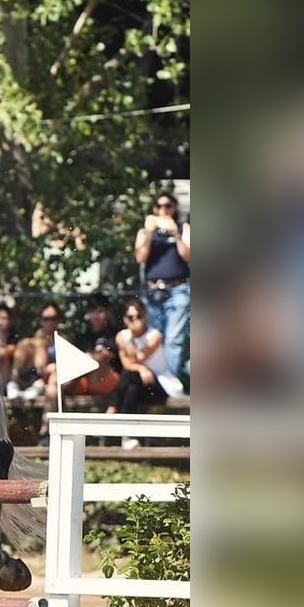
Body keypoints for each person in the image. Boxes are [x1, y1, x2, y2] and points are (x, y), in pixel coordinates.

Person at [107, 299, 185, 448]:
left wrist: (128, 344)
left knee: (131, 377)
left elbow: (138, 358)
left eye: (139, 316)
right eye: (130, 317)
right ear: (125, 319)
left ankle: (112, 409)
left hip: (160, 384)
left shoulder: (154, 336)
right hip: (138, 383)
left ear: (145, 317)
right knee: (131, 386)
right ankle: (127, 435)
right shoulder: (122, 336)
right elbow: (127, 365)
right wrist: (142, 369)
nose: (135, 321)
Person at [134, 191, 190, 381]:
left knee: (173, 341)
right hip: (152, 291)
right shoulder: (145, 231)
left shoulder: (183, 228)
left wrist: (176, 234)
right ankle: (156, 385)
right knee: (153, 339)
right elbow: (140, 257)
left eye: (167, 206)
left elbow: (189, 256)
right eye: (159, 206)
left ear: (174, 209)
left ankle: (171, 384)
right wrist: (149, 233)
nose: (163, 210)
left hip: (178, 290)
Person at [67, 293, 121, 397]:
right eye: (92, 311)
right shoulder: (83, 336)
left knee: (95, 360)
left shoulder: (114, 334)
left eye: (100, 311)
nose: (96, 316)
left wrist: (88, 358)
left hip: (108, 382)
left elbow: (107, 355)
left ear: (107, 312)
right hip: (85, 382)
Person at [0, 303, 19, 395]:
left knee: (5, 357)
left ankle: (7, 386)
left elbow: (16, 350)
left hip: (11, 371)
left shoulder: (14, 336)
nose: (1, 321)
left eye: (4, 318)